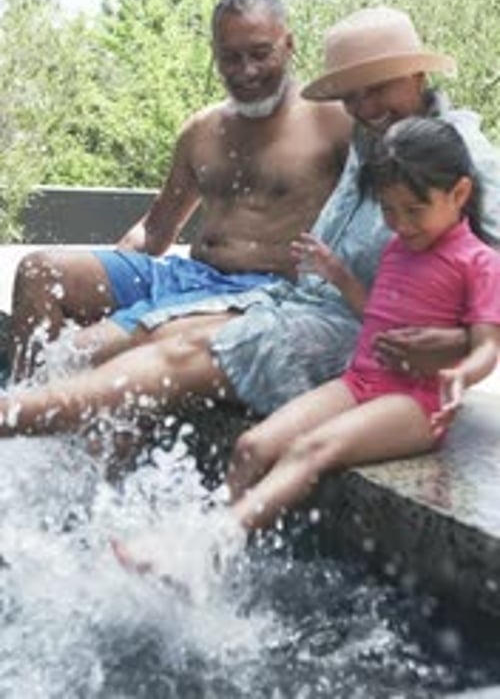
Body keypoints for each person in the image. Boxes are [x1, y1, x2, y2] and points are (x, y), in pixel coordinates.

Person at [0, 7, 499, 443]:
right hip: (294, 303)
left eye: (379, 88)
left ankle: (12, 417)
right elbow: (155, 229)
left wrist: (465, 345)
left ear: (417, 75)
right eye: (351, 94)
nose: (365, 107)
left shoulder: (461, 157)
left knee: (182, 351)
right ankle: (80, 495)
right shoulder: (375, 135)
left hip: (362, 336)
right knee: (155, 336)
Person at [114, 117, 500, 570]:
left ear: (459, 194)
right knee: (252, 447)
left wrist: (461, 373)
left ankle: (199, 548)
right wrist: (338, 275)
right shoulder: (401, 247)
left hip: (416, 401)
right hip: (360, 382)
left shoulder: (479, 262)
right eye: (390, 211)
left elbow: (488, 347)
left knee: (310, 450)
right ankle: (214, 561)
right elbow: (377, 315)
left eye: (413, 210)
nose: (400, 224)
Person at [10, 0, 351, 378]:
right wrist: (115, 266)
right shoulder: (202, 129)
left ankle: (31, 415)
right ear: (215, 53)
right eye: (231, 57)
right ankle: (22, 413)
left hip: (265, 293)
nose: (246, 70)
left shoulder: (332, 122)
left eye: (260, 53)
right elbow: (156, 229)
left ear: (288, 44)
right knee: (40, 271)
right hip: (188, 276)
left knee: (86, 349)